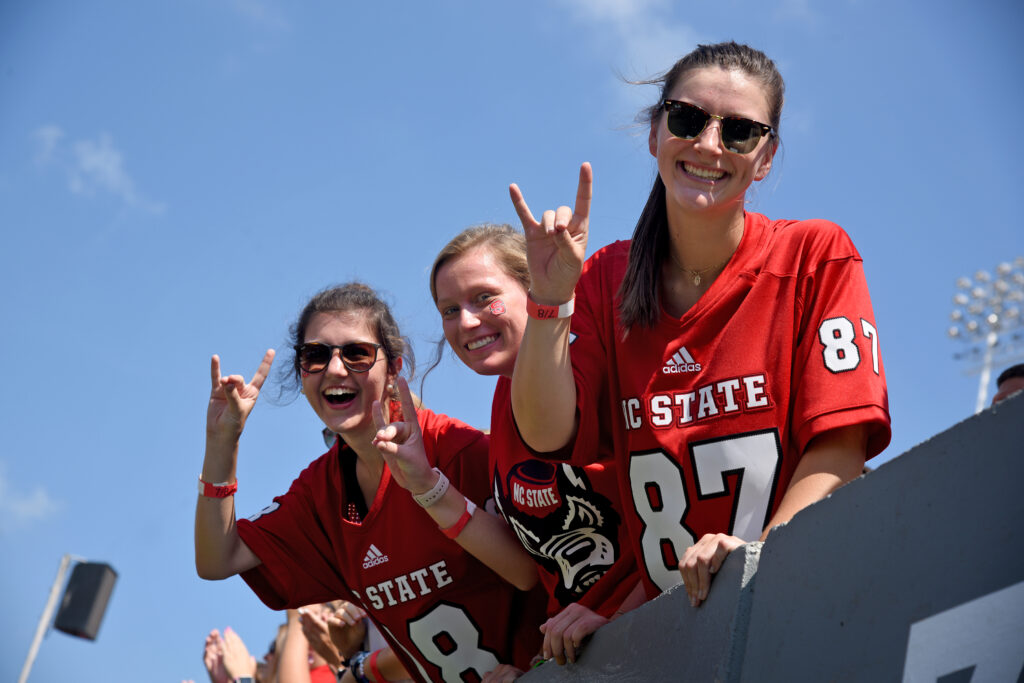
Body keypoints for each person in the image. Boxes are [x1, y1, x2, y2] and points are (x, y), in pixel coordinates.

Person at [508, 42, 891, 609]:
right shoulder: (602, 279)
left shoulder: (815, 254)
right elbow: (544, 434)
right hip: (676, 635)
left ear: (765, 158)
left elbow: (842, 446)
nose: (709, 144)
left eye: (739, 131)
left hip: (795, 604)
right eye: (687, 119)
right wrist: (548, 302)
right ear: (655, 133)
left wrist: (756, 566)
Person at [195, 282, 543, 682]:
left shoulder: (460, 451)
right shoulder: (321, 491)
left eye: (357, 353)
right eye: (315, 356)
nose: (336, 369)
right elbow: (217, 559)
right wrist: (222, 443)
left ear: (394, 366)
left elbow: (543, 574)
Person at [424, 224, 644, 672]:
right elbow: (536, 568)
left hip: (660, 624)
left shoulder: (588, 361)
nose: (465, 321)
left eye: (484, 297)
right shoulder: (503, 395)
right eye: (449, 309)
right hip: (587, 653)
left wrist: (620, 616)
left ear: (534, 287)